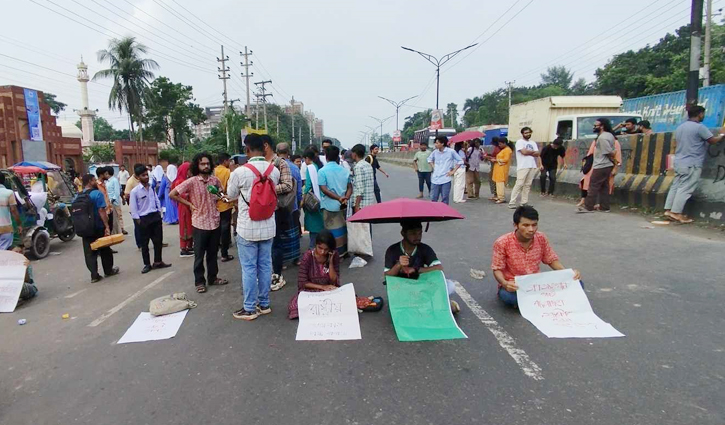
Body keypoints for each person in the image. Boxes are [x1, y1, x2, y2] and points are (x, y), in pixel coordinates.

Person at [227, 134, 280, 321]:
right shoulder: (274, 170)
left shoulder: (239, 172)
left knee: (249, 268)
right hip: (268, 226)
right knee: (265, 265)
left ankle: (249, 308)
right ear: (264, 148)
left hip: (246, 227)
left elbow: (230, 194)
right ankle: (264, 304)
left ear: (247, 150)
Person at [492, 206, 581, 307]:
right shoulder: (502, 242)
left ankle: (535, 301)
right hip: (516, 285)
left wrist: (568, 273)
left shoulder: (541, 238)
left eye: (534, 225)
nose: (531, 229)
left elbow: (551, 259)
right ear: (515, 225)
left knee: (578, 283)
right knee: (509, 297)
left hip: (537, 284)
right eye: (526, 225)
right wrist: (504, 283)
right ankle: (545, 300)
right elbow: (497, 269)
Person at [170, 153, 228, 293]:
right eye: (202, 164)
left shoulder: (215, 180)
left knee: (213, 253)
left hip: (214, 221)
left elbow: (221, 194)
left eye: (208, 163)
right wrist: (189, 204)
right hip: (199, 223)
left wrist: (224, 198)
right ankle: (199, 281)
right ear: (197, 165)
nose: (206, 166)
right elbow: (172, 194)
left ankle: (213, 277)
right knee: (199, 255)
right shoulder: (191, 181)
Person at [664, 105, 725, 223]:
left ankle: (668, 210)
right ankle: (676, 213)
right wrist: (722, 135)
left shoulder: (680, 127)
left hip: (680, 161)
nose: (703, 116)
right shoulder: (699, 127)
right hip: (692, 162)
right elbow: (712, 140)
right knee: (686, 188)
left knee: (676, 186)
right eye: (703, 114)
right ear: (699, 114)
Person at [384, 220, 459, 314]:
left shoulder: (425, 248)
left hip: (421, 286)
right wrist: (398, 265)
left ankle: (433, 303)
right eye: (413, 234)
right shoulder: (392, 250)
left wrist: (416, 269)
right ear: (403, 233)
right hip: (402, 287)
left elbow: (439, 268)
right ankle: (441, 303)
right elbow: (387, 276)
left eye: (420, 233)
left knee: (450, 285)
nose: (417, 237)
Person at [262, 136, 295, 291]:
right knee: (262, 244)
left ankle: (276, 274)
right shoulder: (256, 165)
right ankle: (265, 274)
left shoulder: (279, 163)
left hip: (275, 209)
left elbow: (288, 185)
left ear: (266, 146)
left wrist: (266, 190)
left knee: (275, 243)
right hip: (260, 210)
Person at [287, 229, 340, 319]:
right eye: (320, 248)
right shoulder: (308, 257)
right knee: (295, 306)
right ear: (316, 245)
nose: (322, 252)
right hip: (310, 291)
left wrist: (330, 262)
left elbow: (334, 280)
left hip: (328, 291)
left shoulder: (333, 255)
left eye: (326, 249)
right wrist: (322, 287)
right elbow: (302, 282)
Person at [129, 165, 172, 274]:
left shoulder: (151, 188)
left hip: (155, 217)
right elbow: (133, 208)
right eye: (143, 175)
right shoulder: (135, 192)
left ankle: (158, 261)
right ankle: (147, 264)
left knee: (158, 241)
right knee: (145, 244)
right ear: (138, 177)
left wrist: (159, 212)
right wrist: (138, 221)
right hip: (144, 219)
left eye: (146, 175)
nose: (146, 177)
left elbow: (156, 200)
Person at [77, 174, 119, 283]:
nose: (96, 181)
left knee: (89, 252)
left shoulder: (78, 196)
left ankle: (94, 275)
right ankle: (108, 270)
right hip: (97, 226)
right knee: (105, 249)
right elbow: (101, 211)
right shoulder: (97, 194)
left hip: (85, 228)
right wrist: (106, 226)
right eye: (94, 180)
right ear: (90, 181)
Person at [578, 118, 619, 213]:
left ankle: (588, 206)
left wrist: (613, 155)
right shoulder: (609, 135)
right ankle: (605, 207)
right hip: (607, 165)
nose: (594, 127)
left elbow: (607, 152)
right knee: (604, 186)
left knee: (593, 185)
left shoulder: (602, 138)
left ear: (602, 126)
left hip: (601, 165)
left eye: (596, 125)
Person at [318, 145, 352, 256]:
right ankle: (343, 251)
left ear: (326, 157)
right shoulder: (344, 171)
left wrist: (338, 198)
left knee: (331, 230)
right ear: (338, 157)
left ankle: (333, 253)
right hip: (342, 205)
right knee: (342, 227)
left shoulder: (322, 171)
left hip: (329, 205)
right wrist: (345, 198)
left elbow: (323, 189)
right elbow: (350, 187)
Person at [277, 143, 303, 268]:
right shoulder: (294, 167)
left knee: (280, 234)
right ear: (288, 153)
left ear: (277, 153)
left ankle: (281, 261)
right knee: (293, 233)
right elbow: (298, 190)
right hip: (292, 206)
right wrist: (298, 203)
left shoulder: (274, 166)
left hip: (278, 206)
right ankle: (296, 258)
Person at [508, 127, 540, 209]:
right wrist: (532, 152)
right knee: (519, 184)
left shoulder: (533, 143)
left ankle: (524, 202)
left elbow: (537, 154)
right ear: (522, 134)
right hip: (523, 166)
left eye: (529, 132)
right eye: (526, 133)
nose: (528, 134)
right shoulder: (519, 142)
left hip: (532, 165)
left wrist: (529, 152)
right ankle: (512, 202)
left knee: (528, 185)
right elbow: (524, 152)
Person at [427, 136, 464, 205]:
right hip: (435, 178)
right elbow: (429, 159)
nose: (435, 144)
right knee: (433, 198)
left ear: (443, 143)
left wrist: (453, 171)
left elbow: (460, 161)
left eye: (437, 143)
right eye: (435, 143)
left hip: (445, 178)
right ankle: (434, 213)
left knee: (445, 198)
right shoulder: (435, 152)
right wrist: (433, 166)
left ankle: (444, 214)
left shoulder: (451, 152)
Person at [214, 153, 235, 262]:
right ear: (225, 161)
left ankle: (214, 252)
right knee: (225, 229)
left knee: (216, 229)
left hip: (214, 204)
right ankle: (224, 254)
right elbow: (230, 188)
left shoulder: (214, 171)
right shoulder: (227, 172)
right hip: (225, 203)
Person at [302, 148, 325, 248]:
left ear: (307, 158)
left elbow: (307, 186)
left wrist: (303, 197)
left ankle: (312, 248)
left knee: (313, 226)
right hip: (319, 199)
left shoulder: (310, 167)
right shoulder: (317, 166)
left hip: (312, 200)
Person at [172, 162, 194, 257]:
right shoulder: (180, 181)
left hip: (187, 206)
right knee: (185, 226)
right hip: (183, 207)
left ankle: (189, 246)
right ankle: (183, 248)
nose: (190, 172)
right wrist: (189, 194)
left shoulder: (185, 180)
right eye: (189, 170)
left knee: (190, 226)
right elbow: (178, 195)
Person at [124, 163, 144, 249]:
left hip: (144, 207)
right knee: (138, 227)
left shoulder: (142, 179)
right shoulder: (131, 181)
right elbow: (126, 195)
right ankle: (140, 244)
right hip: (135, 208)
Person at [351, 144, 375, 213]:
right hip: (369, 203)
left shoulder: (358, 167)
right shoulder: (368, 165)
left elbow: (360, 190)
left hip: (361, 205)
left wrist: (357, 206)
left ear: (355, 154)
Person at [0, 173, 22, 250]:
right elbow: (13, 210)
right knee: (4, 251)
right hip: (5, 228)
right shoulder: (8, 193)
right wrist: (19, 224)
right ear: (4, 181)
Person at [105, 166, 127, 235]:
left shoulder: (114, 180)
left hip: (115, 201)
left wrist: (113, 199)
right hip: (109, 201)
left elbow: (117, 192)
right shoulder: (107, 181)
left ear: (107, 173)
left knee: (118, 215)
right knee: (112, 217)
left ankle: (122, 228)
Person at [95, 167, 115, 242]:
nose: (107, 175)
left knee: (110, 228)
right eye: (105, 174)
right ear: (101, 175)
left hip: (109, 209)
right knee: (104, 230)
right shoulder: (97, 185)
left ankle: (108, 247)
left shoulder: (104, 184)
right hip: (103, 210)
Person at [492, 138, 513, 204]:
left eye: (500, 144)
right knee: (498, 183)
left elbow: (505, 159)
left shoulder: (507, 150)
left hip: (502, 169)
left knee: (500, 183)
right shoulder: (504, 150)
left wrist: (496, 160)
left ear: (504, 143)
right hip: (498, 168)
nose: (499, 145)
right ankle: (499, 196)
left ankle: (501, 197)